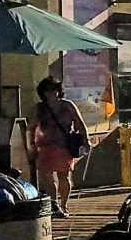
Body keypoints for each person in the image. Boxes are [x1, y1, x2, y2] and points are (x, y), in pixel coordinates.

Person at [26, 76, 90, 217]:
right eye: (47, 90)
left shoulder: (68, 106)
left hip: (64, 147)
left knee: (64, 177)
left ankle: (64, 205)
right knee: (48, 179)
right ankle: (54, 205)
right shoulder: (39, 108)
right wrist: (31, 146)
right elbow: (30, 128)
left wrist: (87, 140)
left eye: (54, 89)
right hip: (44, 148)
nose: (51, 93)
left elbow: (79, 123)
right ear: (43, 93)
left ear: (59, 90)